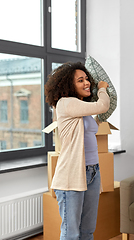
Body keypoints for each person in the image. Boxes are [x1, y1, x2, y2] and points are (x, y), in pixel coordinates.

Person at [45, 61, 110, 240]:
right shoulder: (65, 103)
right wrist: (102, 88)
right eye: (80, 80)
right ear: (68, 85)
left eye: (87, 79)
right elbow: (102, 105)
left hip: (92, 171)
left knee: (87, 230)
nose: (87, 83)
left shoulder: (82, 109)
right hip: (71, 175)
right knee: (71, 233)